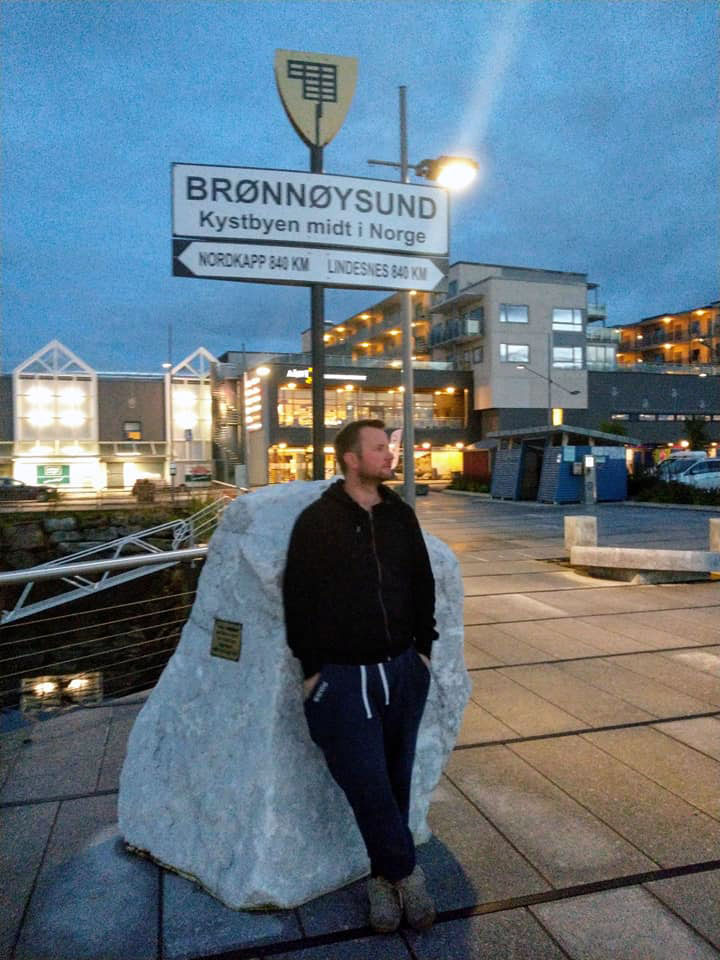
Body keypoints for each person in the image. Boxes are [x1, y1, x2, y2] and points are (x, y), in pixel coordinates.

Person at [282, 419, 438, 934]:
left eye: (389, 447)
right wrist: (313, 674)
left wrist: (423, 653)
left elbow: (422, 585)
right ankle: (406, 874)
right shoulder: (317, 521)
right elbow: (298, 600)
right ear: (351, 458)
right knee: (367, 784)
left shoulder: (400, 517)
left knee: (395, 781)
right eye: (379, 448)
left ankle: (380, 880)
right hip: (343, 681)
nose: (390, 455)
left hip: (401, 670)